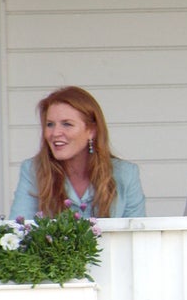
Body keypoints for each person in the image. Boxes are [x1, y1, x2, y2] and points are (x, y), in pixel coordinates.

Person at [10, 86, 146, 219]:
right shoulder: (33, 170)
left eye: (67, 124)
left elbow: (137, 236)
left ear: (91, 131)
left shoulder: (125, 174)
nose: (55, 133)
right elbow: (18, 231)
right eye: (50, 124)